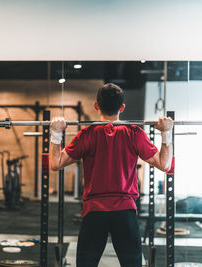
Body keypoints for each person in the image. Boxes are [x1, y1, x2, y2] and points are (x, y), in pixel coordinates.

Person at [50, 83, 173, 267]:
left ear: (96, 105)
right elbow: (165, 164)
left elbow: (56, 163)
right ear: (122, 107)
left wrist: (56, 133)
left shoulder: (87, 134)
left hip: (94, 212)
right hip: (125, 212)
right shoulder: (134, 133)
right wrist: (167, 133)